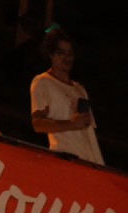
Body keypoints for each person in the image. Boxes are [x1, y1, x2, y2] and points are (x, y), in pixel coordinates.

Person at [29, 29, 104, 165]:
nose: (67, 57)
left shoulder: (79, 89)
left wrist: (97, 163)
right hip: (66, 159)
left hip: (89, 162)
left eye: (70, 53)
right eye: (61, 53)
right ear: (51, 55)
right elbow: (38, 123)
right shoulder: (43, 82)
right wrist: (71, 123)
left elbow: (88, 132)